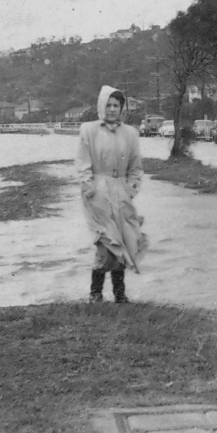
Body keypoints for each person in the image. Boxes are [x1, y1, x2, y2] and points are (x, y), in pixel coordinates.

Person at [76, 85, 147, 303]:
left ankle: (119, 294)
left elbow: (136, 168)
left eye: (117, 105)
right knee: (104, 242)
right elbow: (83, 164)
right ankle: (95, 293)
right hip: (97, 193)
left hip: (121, 193)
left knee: (124, 240)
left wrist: (131, 190)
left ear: (122, 109)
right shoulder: (89, 130)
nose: (112, 109)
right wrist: (89, 189)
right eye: (108, 105)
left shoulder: (131, 134)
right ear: (101, 106)